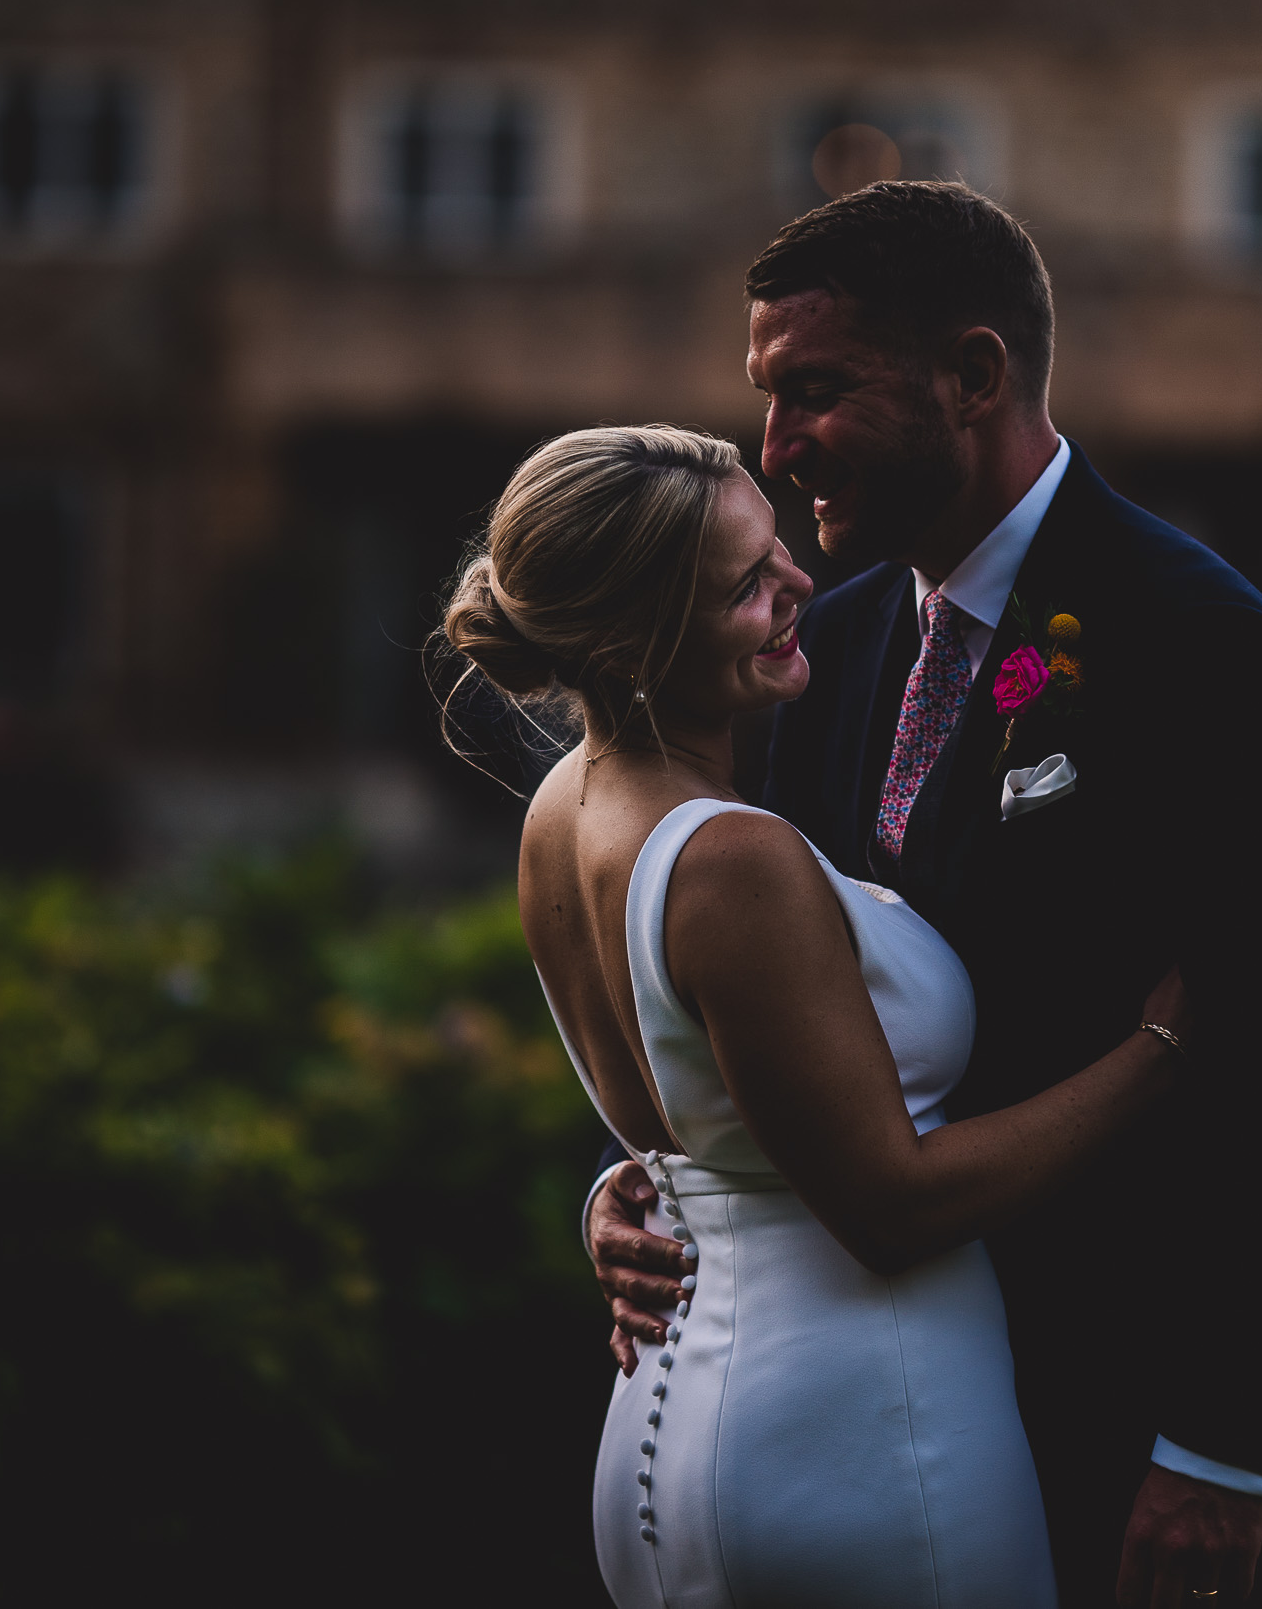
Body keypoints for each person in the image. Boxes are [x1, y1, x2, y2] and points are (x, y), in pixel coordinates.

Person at [584, 183, 1262, 1606]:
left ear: (972, 375)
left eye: (816, 391)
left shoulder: (1188, 631)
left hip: (1135, 1419)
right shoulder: (832, 642)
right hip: (903, 1408)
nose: (775, 446)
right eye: (768, 398)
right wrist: (650, 1185)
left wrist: (1229, 1442)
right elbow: (771, 993)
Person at [442, 423, 1193, 1607]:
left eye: (775, 546)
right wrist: (1158, 1052)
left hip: (666, 1418)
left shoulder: (558, 809)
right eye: (745, 585)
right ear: (642, 639)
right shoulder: (734, 857)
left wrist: (612, 1189)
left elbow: (684, 1102)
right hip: (865, 1425)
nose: (799, 580)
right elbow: (892, 1205)